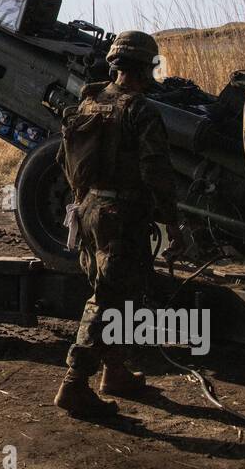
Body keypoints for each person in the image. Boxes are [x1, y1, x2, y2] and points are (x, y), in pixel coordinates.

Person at [53, 30, 185, 419]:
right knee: (109, 299)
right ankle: (74, 384)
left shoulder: (89, 102)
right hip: (122, 217)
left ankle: (114, 370)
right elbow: (157, 172)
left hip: (90, 209)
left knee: (119, 291)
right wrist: (173, 224)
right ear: (146, 68)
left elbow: (65, 160)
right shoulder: (141, 111)